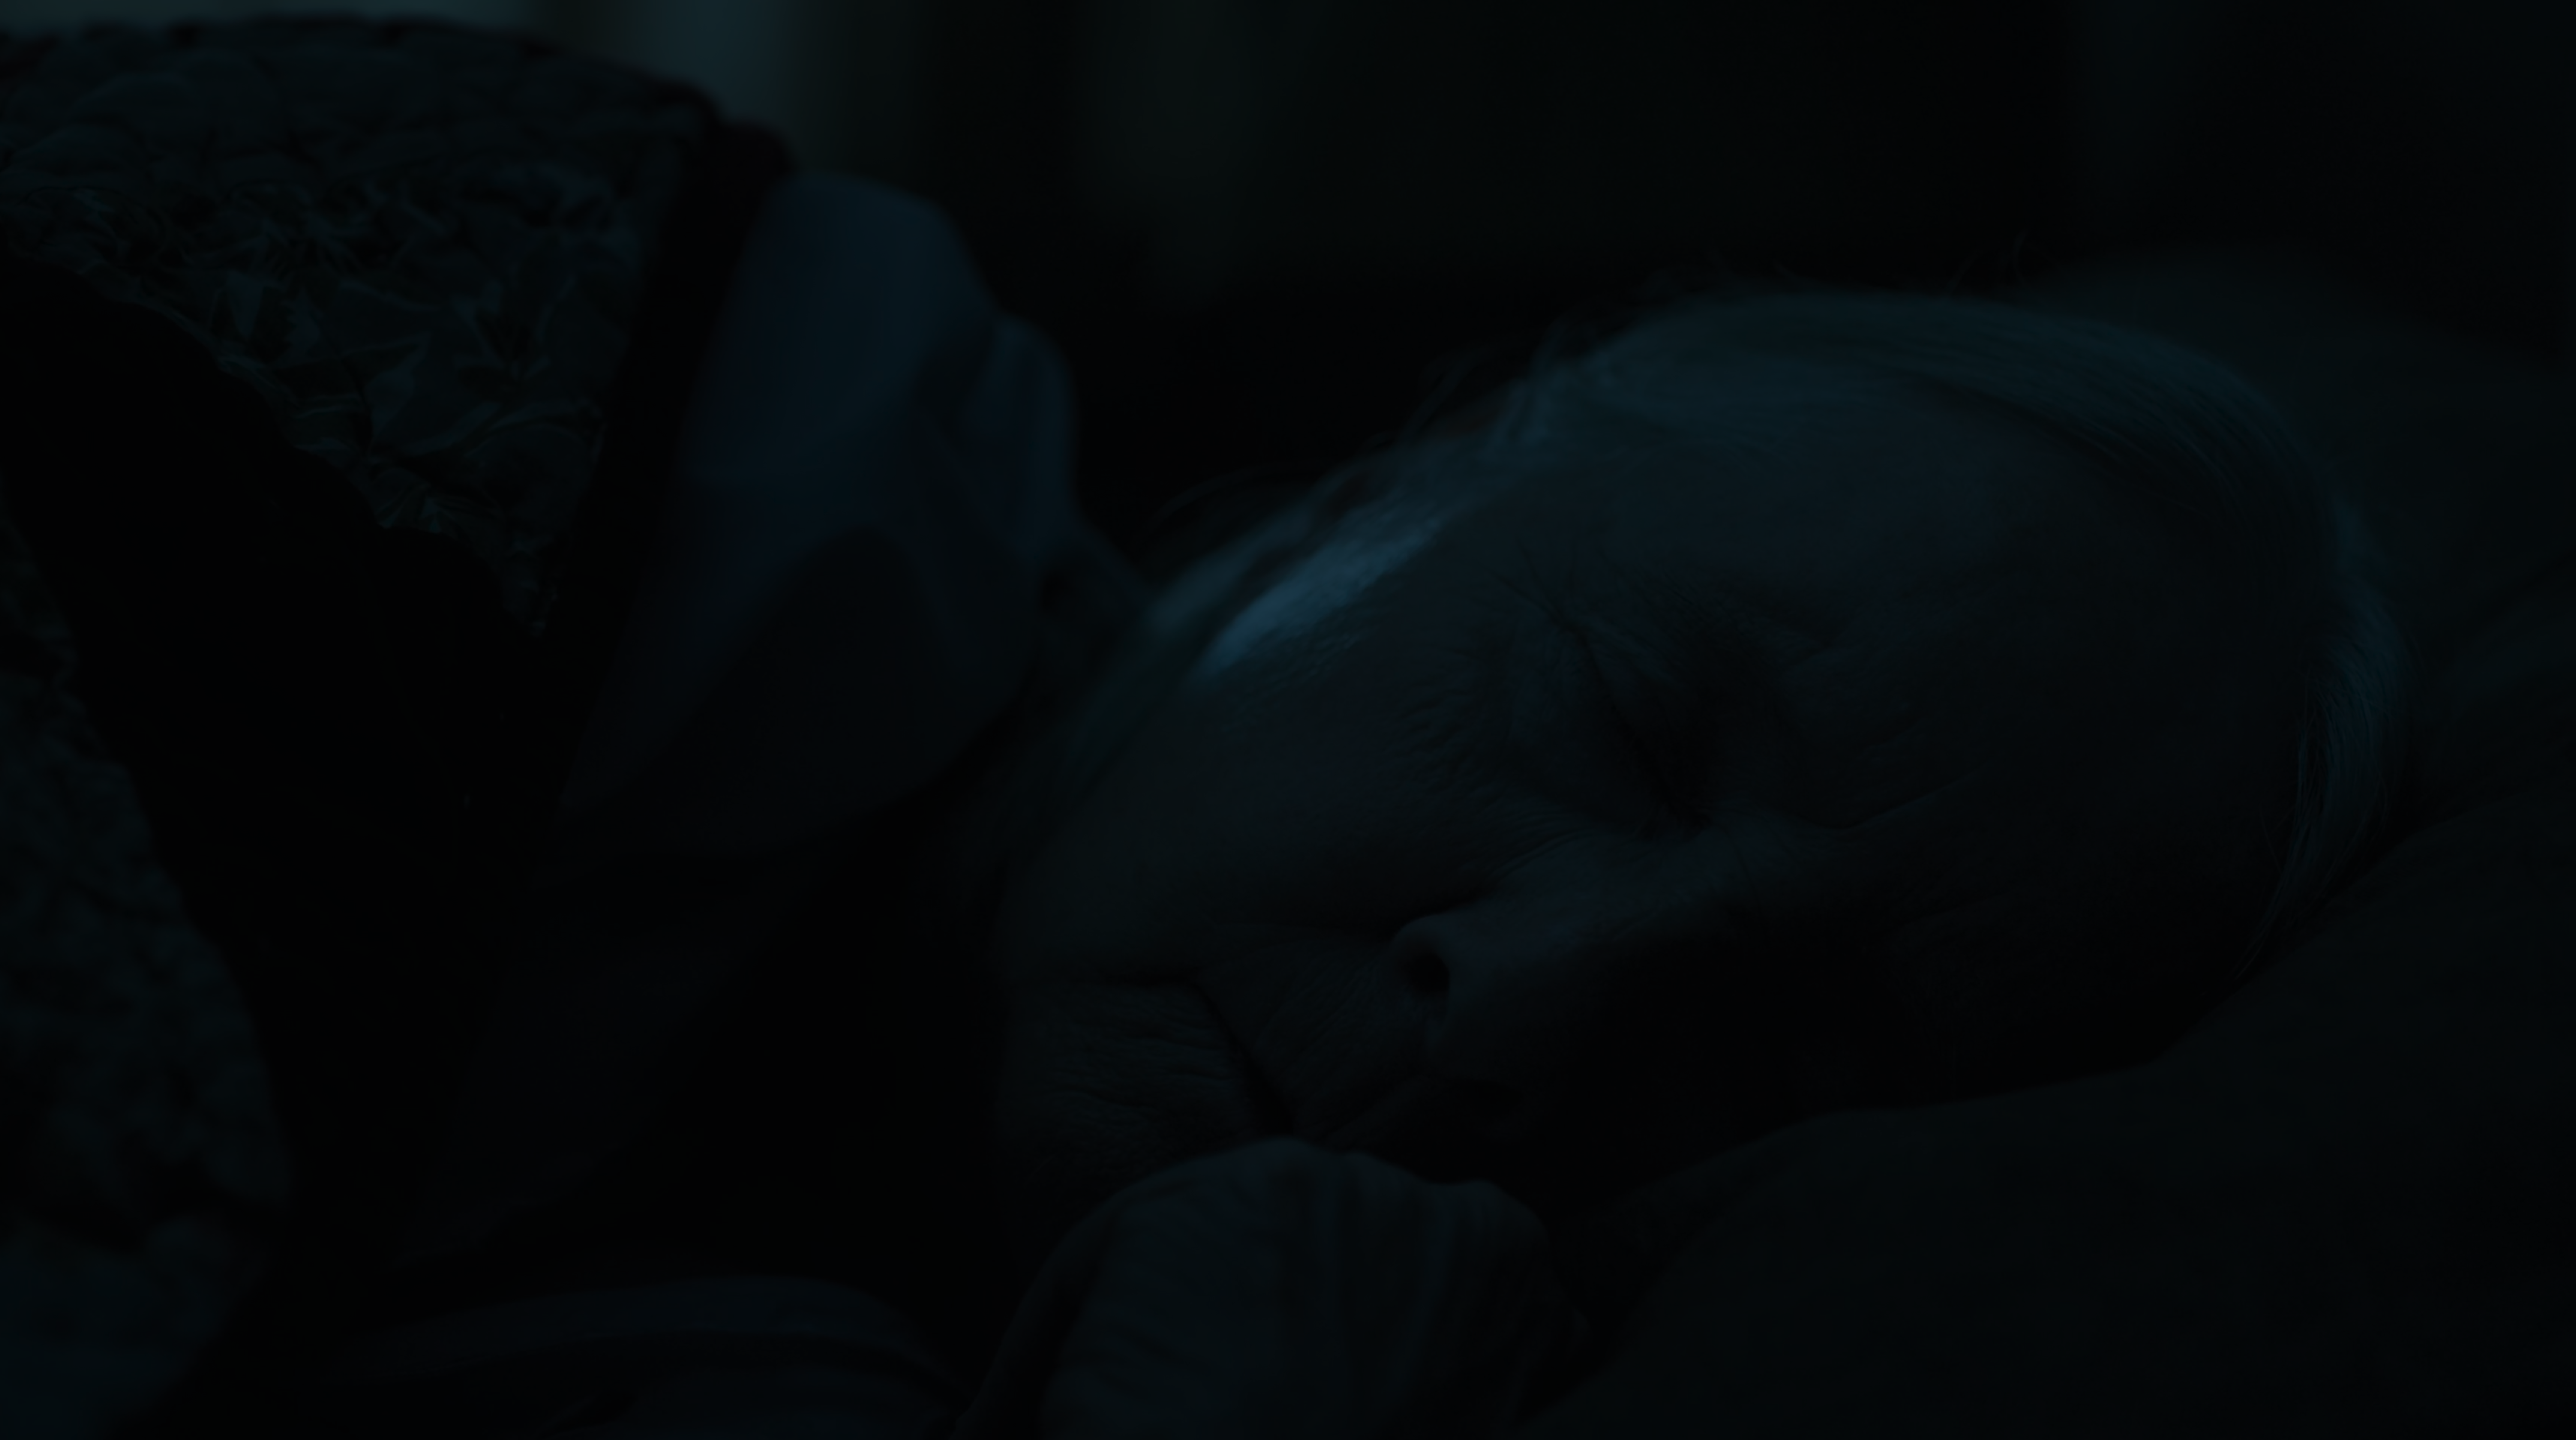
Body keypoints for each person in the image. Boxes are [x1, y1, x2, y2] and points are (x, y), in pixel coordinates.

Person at [332, 258, 2409, 1436]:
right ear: (1367, 509)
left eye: (1787, 1050)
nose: (1515, 999)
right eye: (1618, 720)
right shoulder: (725, 422)